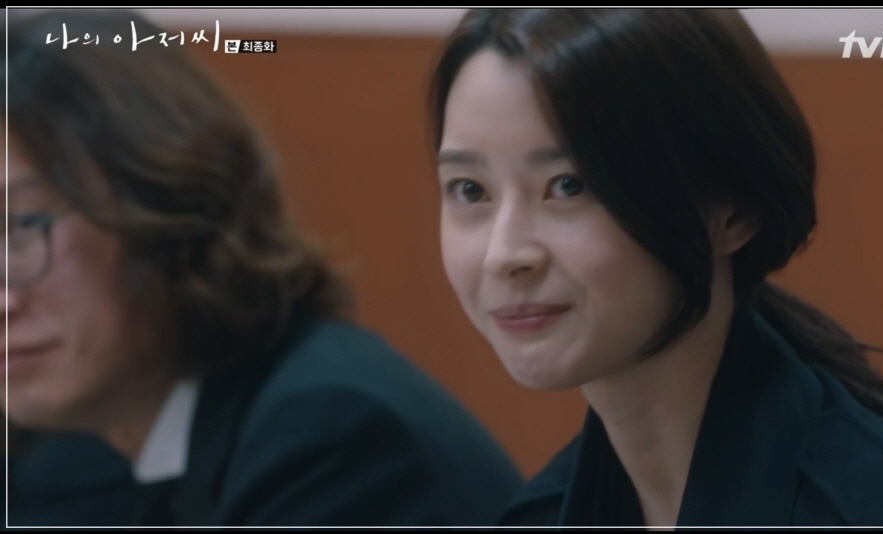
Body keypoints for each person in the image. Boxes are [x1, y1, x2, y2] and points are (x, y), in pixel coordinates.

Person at [4, 8, 522, 527]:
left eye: (21, 224)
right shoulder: (69, 451)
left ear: (163, 204)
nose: (6, 301)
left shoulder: (333, 445)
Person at [429, 8, 883, 527]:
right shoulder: (540, 515)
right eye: (470, 190)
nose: (503, 255)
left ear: (731, 211)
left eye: (569, 185)